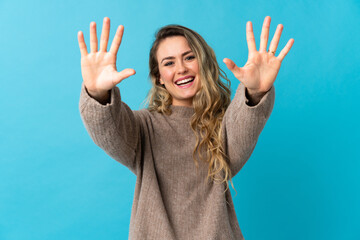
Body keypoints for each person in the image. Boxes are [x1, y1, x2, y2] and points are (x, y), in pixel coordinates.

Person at [78, 16, 294, 240]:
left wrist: (256, 91)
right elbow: (108, 129)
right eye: (169, 63)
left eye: (189, 57)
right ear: (159, 77)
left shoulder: (224, 125)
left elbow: (244, 125)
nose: (180, 69)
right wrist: (97, 93)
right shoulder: (143, 127)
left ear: (203, 63)